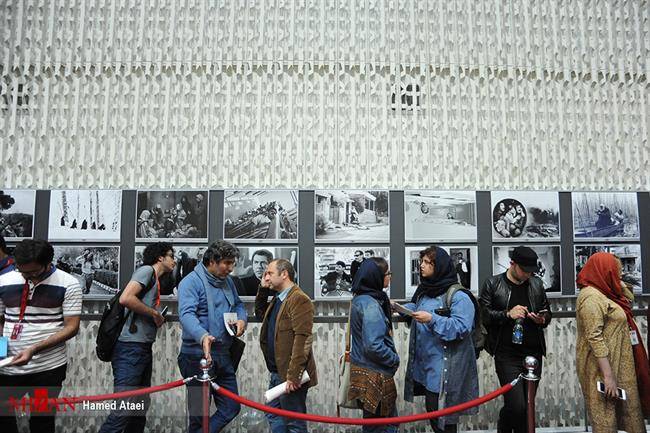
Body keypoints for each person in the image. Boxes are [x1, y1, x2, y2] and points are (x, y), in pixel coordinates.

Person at [0, 239, 82, 433]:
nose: (28, 277)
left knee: (42, 421)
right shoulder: (4, 281)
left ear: (48, 263)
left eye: (34, 272)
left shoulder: (68, 284)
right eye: (23, 272)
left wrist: (34, 349)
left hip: (48, 368)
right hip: (8, 368)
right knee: (3, 419)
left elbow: (72, 327)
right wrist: (2, 352)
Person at [99, 243, 176, 433]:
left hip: (141, 347)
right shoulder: (146, 271)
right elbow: (126, 298)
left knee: (139, 406)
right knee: (124, 409)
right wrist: (154, 314)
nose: (174, 260)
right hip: (129, 348)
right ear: (160, 258)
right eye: (171, 256)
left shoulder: (155, 279)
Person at [401, 246, 478, 433]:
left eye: (428, 262)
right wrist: (401, 308)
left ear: (440, 266)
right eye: (422, 261)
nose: (422, 266)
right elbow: (419, 304)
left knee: (444, 420)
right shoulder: (425, 289)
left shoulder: (459, 296)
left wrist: (432, 319)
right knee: (434, 413)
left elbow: (461, 327)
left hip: (445, 369)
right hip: (427, 366)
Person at [478, 246, 552, 433]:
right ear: (512, 264)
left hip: (533, 353)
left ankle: (506, 427)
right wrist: (507, 314)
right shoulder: (493, 284)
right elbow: (484, 316)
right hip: (507, 355)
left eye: (531, 271)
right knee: (517, 406)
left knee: (526, 406)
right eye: (524, 270)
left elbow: (547, 312)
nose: (528, 275)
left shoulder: (536, 284)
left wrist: (542, 319)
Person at [177, 240, 247, 433]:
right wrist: (203, 336)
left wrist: (242, 320)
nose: (231, 268)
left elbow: (239, 305)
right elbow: (186, 315)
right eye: (227, 263)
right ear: (212, 262)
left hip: (223, 354)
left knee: (232, 406)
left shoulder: (228, 282)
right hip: (196, 356)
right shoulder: (190, 282)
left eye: (233, 263)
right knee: (200, 416)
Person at [575, 252, 649, 432]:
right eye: (617, 271)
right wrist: (608, 376)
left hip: (621, 362)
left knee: (631, 414)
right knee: (605, 417)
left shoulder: (606, 291)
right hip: (601, 368)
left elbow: (628, 301)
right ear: (604, 271)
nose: (621, 274)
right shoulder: (591, 298)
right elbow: (594, 337)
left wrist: (620, 284)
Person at [256, 259, 317, 433]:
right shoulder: (278, 298)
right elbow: (261, 314)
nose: (266, 277)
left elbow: (303, 338)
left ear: (284, 274)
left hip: (290, 374)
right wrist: (262, 289)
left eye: (269, 273)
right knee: (274, 415)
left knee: (294, 422)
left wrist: (294, 375)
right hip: (276, 372)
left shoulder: (299, 299)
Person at [348, 257, 399, 433]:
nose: (390, 276)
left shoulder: (361, 299)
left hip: (364, 371)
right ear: (375, 277)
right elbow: (373, 346)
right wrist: (394, 359)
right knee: (384, 425)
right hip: (375, 375)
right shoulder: (371, 305)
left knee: (373, 423)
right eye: (387, 273)